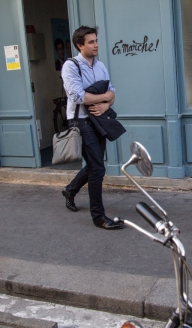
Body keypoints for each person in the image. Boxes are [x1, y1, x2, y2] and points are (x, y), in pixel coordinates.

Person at [60, 26, 124, 230]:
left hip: (100, 119)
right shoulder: (71, 66)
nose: (96, 44)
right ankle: (98, 217)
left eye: (96, 40)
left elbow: (112, 91)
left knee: (94, 165)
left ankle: (70, 190)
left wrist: (106, 103)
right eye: (90, 42)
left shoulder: (101, 66)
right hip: (81, 121)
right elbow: (77, 96)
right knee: (97, 168)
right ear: (80, 45)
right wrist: (104, 96)